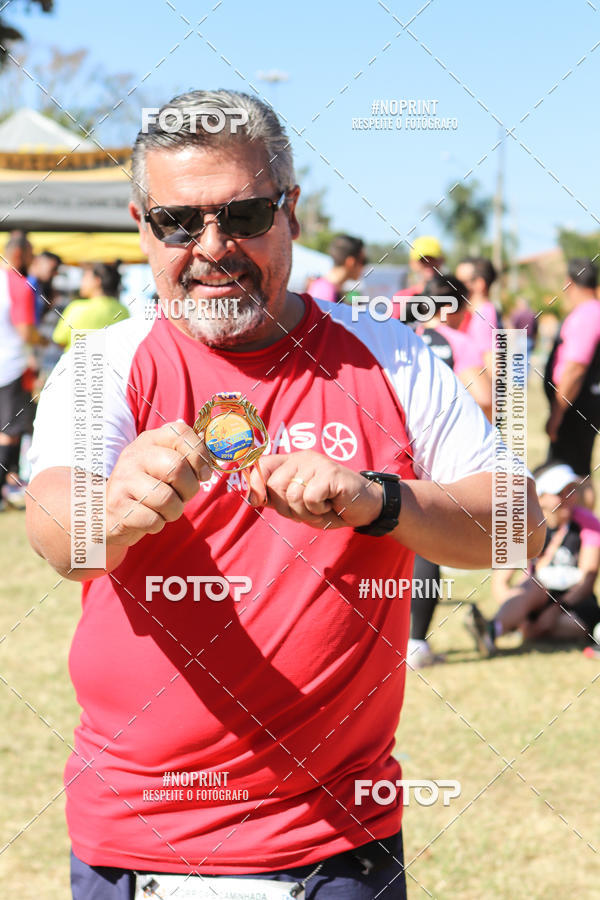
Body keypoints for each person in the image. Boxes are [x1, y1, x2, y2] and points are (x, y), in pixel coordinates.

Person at [26, 89, 545, 900]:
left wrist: (380, 498)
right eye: (177, 222)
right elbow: (58, 535)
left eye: (243, 214)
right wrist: (113, 507)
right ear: (141, 224)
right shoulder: (108, 362)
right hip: (136, 844)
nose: (211, 247)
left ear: (291, 213)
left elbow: (519, 526)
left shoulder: (389, 358)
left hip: (337, 847)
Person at [407, 274, 492, 668]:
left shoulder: (399, 333)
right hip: (433, 453)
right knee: (425, 538)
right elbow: (485, 397)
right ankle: (415, 643)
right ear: (455, 308)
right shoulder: (458, 343)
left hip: (388, 446)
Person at [467, 463, 600, 654]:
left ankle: (524, 631)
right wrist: (517, 612)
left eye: (571, 490)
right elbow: (501, 582)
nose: (569, 497)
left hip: (572, 602)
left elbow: (588, 580)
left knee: (573, 625)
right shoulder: (523, 527)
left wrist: (554, 611)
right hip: (535, 598)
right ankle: (492, 630)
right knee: (532, 585)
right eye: (560, 492)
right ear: (541, 497)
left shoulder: (587, 522)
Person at [544, 258, 600, 509]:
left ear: (569, 283)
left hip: (574, 409)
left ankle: (582, 534)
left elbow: (575, 368)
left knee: (571, 476)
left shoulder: (586, 315)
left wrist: (557, 413)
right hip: (581, 406)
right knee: (578, 472)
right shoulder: (593, 311)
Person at [0, 234, 45, 510]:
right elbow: (26, 331)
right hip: (13, 365)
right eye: (30, 253)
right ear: (19, 254)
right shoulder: (19, 284)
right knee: (10, 430)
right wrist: (45, 340)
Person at [52, 261, 130, 351]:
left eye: (85, 277)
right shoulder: (122, 310)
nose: (81, 282)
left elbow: (60, 340)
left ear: (97, 281)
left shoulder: (76, 308)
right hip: (110, 364)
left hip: (77, 363)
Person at [455, 257, 501, 370]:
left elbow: (492, 366)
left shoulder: (483, 315)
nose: (454, 287)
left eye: (460, 282)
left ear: (479, 284)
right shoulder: (475, 313)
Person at [308, 234, 366, 304]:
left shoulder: (330, 289)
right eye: (364, 261)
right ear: (351, 262)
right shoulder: (325, 291)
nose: (364, 267)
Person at [28, 250, 62, 323]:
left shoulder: (38, 285)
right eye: (54, 268)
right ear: (38, 261)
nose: (55, 273)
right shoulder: (28, 283)